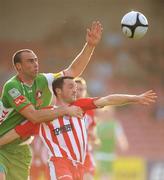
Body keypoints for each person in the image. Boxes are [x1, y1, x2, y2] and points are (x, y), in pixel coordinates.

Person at [0, 21, 103, 180]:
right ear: (18, 67)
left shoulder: (45, 80)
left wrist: (90, 46)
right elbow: (33, 116)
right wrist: (65, 110)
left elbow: (73, 71)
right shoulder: (12, 87)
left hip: (21, 149)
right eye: (30, 61)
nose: (36, 64)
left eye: (36, 60)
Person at [0, 76, 157, 180]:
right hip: (60, 164)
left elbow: (108, 99)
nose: (76, 90)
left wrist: (135, 98)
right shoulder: (43, 116)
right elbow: (17, 132)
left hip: (80, 165)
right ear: (58, 91)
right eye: (71, 87)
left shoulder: (81, 106)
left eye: (76, 87)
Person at [95, 106, 129, 180]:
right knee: (103, 175)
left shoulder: (114, 124)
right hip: (99, 154)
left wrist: (123, 143)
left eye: (109, 113)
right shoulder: (97, 124)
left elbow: (120, 136)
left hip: (110, 154)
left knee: (108, 175)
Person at [75, 77, 98, 180]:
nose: (80, 92)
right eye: (77, 89)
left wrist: (93, 136)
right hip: (71, 155)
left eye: (82, 89)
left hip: (86, 152)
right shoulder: (65, 108)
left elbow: (92, 127)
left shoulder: (90, 110)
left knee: (88, 177)